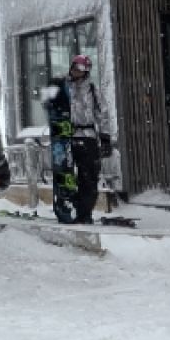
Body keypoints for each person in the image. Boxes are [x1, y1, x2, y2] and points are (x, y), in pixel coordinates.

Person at [62, 54, 104, 224]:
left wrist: (106, 137)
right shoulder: (63, 87)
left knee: (89, 177)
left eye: (82, 69)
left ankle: (84, 213)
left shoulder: (92, 89)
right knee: (67, 177)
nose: (78, 72)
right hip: (67, 138)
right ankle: (68, 209)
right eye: (75, 68)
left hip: (88, 138)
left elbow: (102, 113)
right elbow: (53, 108)